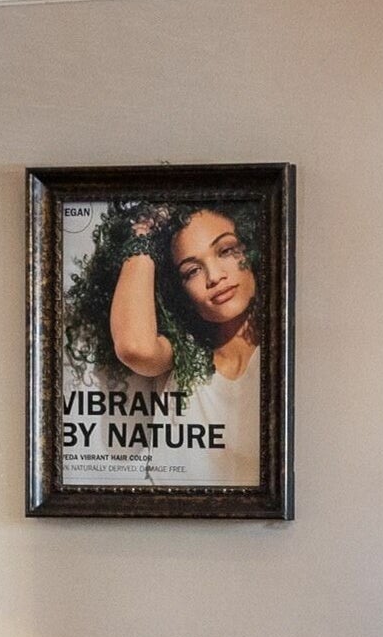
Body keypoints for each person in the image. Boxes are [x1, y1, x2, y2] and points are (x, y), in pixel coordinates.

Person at [90, 203, 265, 485]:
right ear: (175, 289)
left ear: (254, 249)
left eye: (226, 250)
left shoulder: (289, 356)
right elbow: (135, 347)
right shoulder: (184, 357)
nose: (215, 277)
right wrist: (145, 232)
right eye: (192, 271)